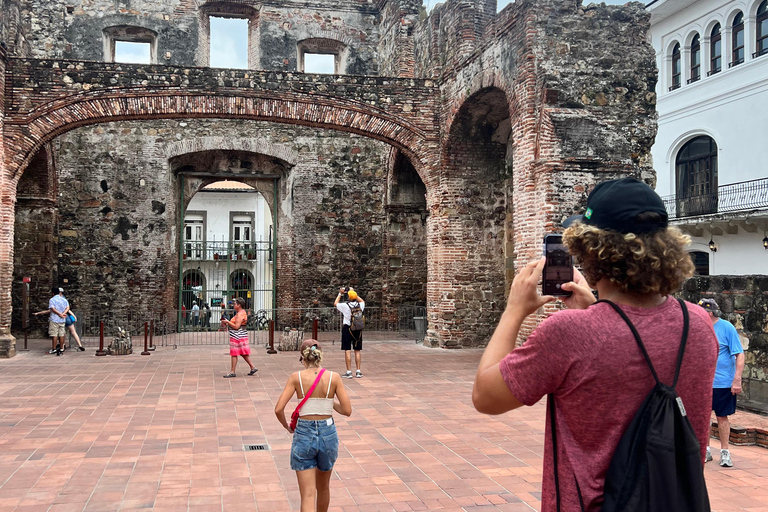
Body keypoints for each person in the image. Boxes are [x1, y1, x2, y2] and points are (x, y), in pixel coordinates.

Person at [472, 177, 718, 511]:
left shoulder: (569, 332)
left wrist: (515, 310)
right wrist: (597, 310)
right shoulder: (700, 324)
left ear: (589, 252)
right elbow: (636, 348)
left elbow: (486, 397)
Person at [274, 339, 352, 512]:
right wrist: (327, 402)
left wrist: (287, 426)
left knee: (308, 494)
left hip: (304, 433)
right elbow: (347, 410)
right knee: (323, 487)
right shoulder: (334, 377)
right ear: (320, 355)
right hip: (328, 432)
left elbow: (279, 409)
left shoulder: (296, 378)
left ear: (303, 357)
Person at [699, 298, 745, 467]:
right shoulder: (699, 327)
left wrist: (737, 379)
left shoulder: (727, 328)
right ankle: (706, 450)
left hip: (723, 383)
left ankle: (725, 452)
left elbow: (739, 354)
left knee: (722, 417)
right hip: (703, 382)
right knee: (704, 417)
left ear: (709, 313)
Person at [220, 297, 258, 378]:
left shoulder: (240, 314)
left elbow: (236, 326)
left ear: (239, 305)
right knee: (242, 352)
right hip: (240, 335)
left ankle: (232, 372)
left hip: (237, 335)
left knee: (234, 353)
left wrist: (227, 322)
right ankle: (252, 367)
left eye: (235, 304)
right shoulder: (242, 312)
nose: (233, 305)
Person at [334, 287, 365, 378]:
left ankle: (349, 372)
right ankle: (358, 371)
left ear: (348, 297)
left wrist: (340, 293)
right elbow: (362, 300)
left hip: (347, 328)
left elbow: (335, 303)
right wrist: (353, 291)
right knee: (357, 350)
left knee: (347, 350)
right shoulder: (360, 305)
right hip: (357, 329)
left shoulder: (345, 306)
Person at [48, 287, 69, 355]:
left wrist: (59, 314)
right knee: (61, 334)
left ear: (53, 293)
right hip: (62, 319)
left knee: (54, 334)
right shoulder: (63, 299)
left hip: (54, 319)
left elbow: (53, 309)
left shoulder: (52, 300)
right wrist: (63, 313)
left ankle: (54, 349)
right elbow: (68, 307)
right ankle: (61, 348)